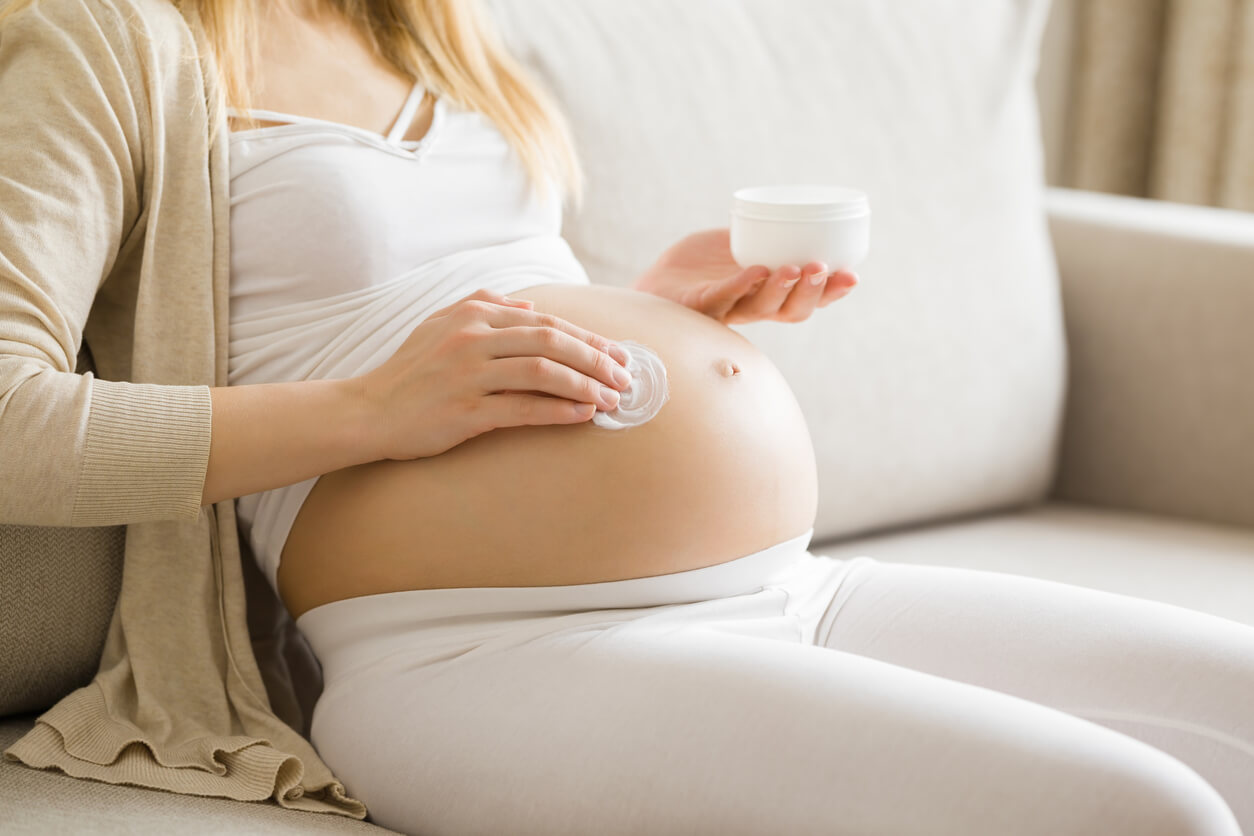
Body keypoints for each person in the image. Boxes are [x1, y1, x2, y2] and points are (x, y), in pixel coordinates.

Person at [1, 0, 1251, 833]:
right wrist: (372, 410)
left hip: (784, 585)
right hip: (484, 653)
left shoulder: (429, 24)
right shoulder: (103, 32)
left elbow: (456, 308)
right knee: (1155, 813)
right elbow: (13, 421)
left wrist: (645, 310)